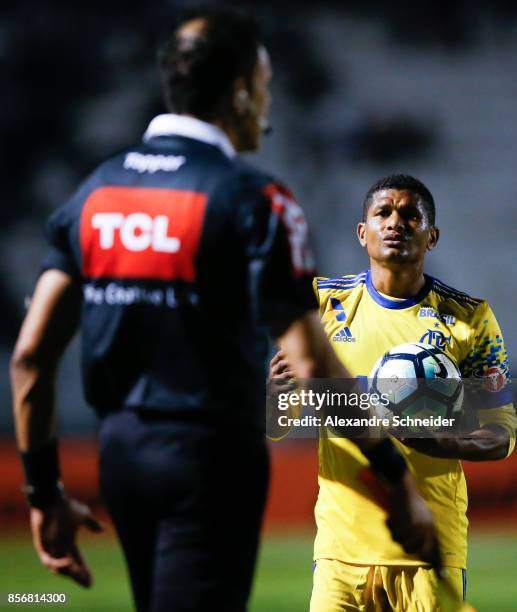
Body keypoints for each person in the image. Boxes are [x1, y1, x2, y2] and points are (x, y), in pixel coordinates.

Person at [10, 9, 440, 612]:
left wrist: (43, 490)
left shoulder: (96, 192)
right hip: (209, 460)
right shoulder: (254, 199)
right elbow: (310, 363)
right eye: (264, 86)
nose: (267, 105)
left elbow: (29, 358)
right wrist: (392, 475)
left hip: (121, 456)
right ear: (239, 92)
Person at [272, 173, 516, 611]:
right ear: (362, 232)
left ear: (432, 236)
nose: (396, 222)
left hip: (429, 545)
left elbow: (502, 434)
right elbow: (279, 425)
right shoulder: (323, 305)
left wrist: (438, 442)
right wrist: (278, 393)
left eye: (410, 214)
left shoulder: (470, 319)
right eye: (383, 212)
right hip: (341, 550)